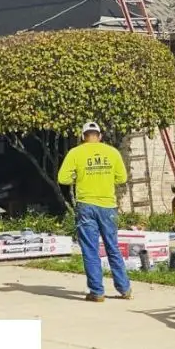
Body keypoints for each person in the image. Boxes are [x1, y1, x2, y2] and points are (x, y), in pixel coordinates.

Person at [57, 122, 131, 302]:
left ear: (83, 137)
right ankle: (124, 289)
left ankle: (97, 292)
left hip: (86, 206)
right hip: (108, 206)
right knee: (112, 246)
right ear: (100, 136)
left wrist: (78, 176)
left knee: (90, 249)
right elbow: (122, 178)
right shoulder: (112, 153)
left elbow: (63, 178)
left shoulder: (75, 153)